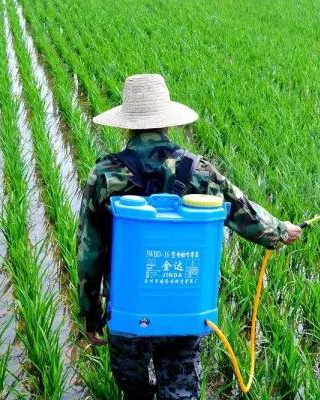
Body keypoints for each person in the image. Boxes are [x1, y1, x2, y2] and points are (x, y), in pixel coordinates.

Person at [77, 74, 302, 399]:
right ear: (168, 122)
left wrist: (90, 312)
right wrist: (281, 231)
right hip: (184, 307)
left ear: (128, 124)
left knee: (134, 389)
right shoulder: (199, 171)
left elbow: (89, 250)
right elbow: (243, 212)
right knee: (181, 389)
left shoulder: (106, 174)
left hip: (128, 310)